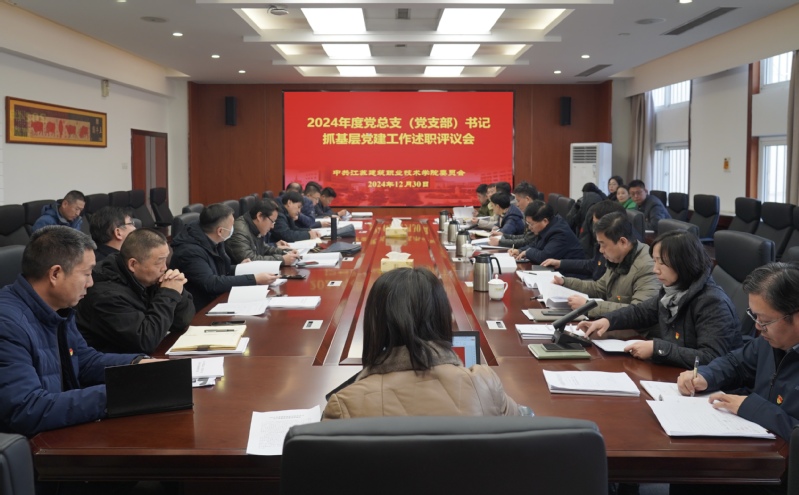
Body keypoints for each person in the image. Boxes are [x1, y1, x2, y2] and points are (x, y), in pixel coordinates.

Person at [0, 226, 147, 436]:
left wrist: (138, 365)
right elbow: (27, 409)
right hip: (34, 444)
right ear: (55, 274)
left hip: (60, 428)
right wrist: (119, 393)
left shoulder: (58, 308)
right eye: (86, 274)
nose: (91, 283)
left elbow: (84, 362)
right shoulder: (7, 324)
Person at [323, 267, 523, 419]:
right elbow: (526, 433)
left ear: (375, 323)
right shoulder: (486, 385)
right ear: (442, 316)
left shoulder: (344, 405)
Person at [579, 230, 742, 369]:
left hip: (711, 389)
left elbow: (711, 358)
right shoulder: (673, 291)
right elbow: (640, 312)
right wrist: (607, 321)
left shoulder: (712, 303)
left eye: (662, 263)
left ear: (684, 264)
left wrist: (657, 348)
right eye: (655, 261)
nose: (655, 269)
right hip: (677, 374)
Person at [76, 228, 195, 354]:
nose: (164, 268)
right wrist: (168, 294)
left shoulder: (147, 278)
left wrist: (177, 291)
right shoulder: (106, 295)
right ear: (133, 264)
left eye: (166, 260)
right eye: (159, 262)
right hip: (114, 362)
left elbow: (182, 321)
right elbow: (145, 341)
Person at [170, 203, 278, 310]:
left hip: (215, 300)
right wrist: (255, 279)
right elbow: (211, 283)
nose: (234, 228)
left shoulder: (213, 239)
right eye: (232, 225)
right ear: (220, 231)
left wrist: (239, 268)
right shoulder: (190, 252)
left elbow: (218, 269)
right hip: (200, 309)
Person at [554, 212, 661, 318]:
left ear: (623, 242)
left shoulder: (647, 266)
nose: (601, 250)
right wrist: (565, 282)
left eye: (603, 245)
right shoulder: (618, 258)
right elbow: (599, 288)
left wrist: (588, 307)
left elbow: (639, 312)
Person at [543, 200, 627, 281]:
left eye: (598, 225)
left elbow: (601, 287)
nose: (595, 229)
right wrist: (560, 263)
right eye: (594, 224)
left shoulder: (619, 253)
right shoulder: (603, 242)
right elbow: (592, 265)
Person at [226, 200, 299, 266]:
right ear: (260, 216)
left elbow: (263, 249)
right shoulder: (239, 232)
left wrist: (286, 252)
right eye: (272, 221)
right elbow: (250, 260)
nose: (272, 226)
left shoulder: (254, 226)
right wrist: (282, 260)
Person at [509, 200, 584, 265]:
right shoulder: (547, 226)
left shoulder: (559, 233)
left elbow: (544, 257)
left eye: (531, 224)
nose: (529, 227)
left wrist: (527, 252)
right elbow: (535, 245)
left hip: (570, 274)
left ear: (545, 221)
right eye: (527, 223)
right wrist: (520, 251)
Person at [489, 181, 539, 248]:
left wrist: (500, 242)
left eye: (518, 201)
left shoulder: (537, 215)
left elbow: (527, 241)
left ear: (527, 199)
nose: (517, 204)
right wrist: (503, 235)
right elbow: (525, 236)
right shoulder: (530, 213)